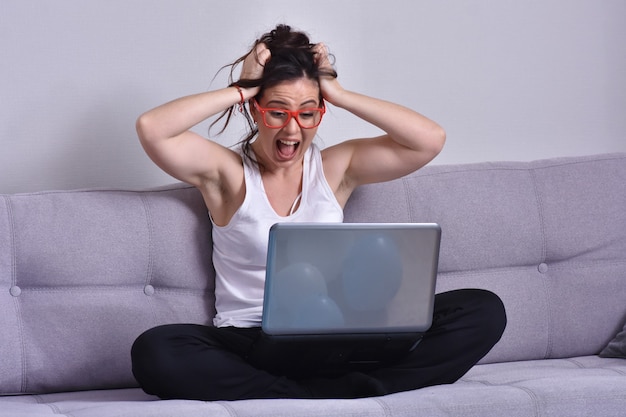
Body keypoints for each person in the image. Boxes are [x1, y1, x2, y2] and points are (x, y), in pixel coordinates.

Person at [130, 24, 506, 401]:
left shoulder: (334, 169)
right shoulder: (227, 174)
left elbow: (429, 139)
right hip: (253, 342)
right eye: (278, 112)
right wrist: (240, 89)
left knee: (483, 310)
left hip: (335, 334)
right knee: (156, 350)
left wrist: (338, 92)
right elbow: (152, 129)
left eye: (308, 113)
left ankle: (329, 390)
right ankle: (322, 393)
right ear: (256, 110)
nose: (293, 128)